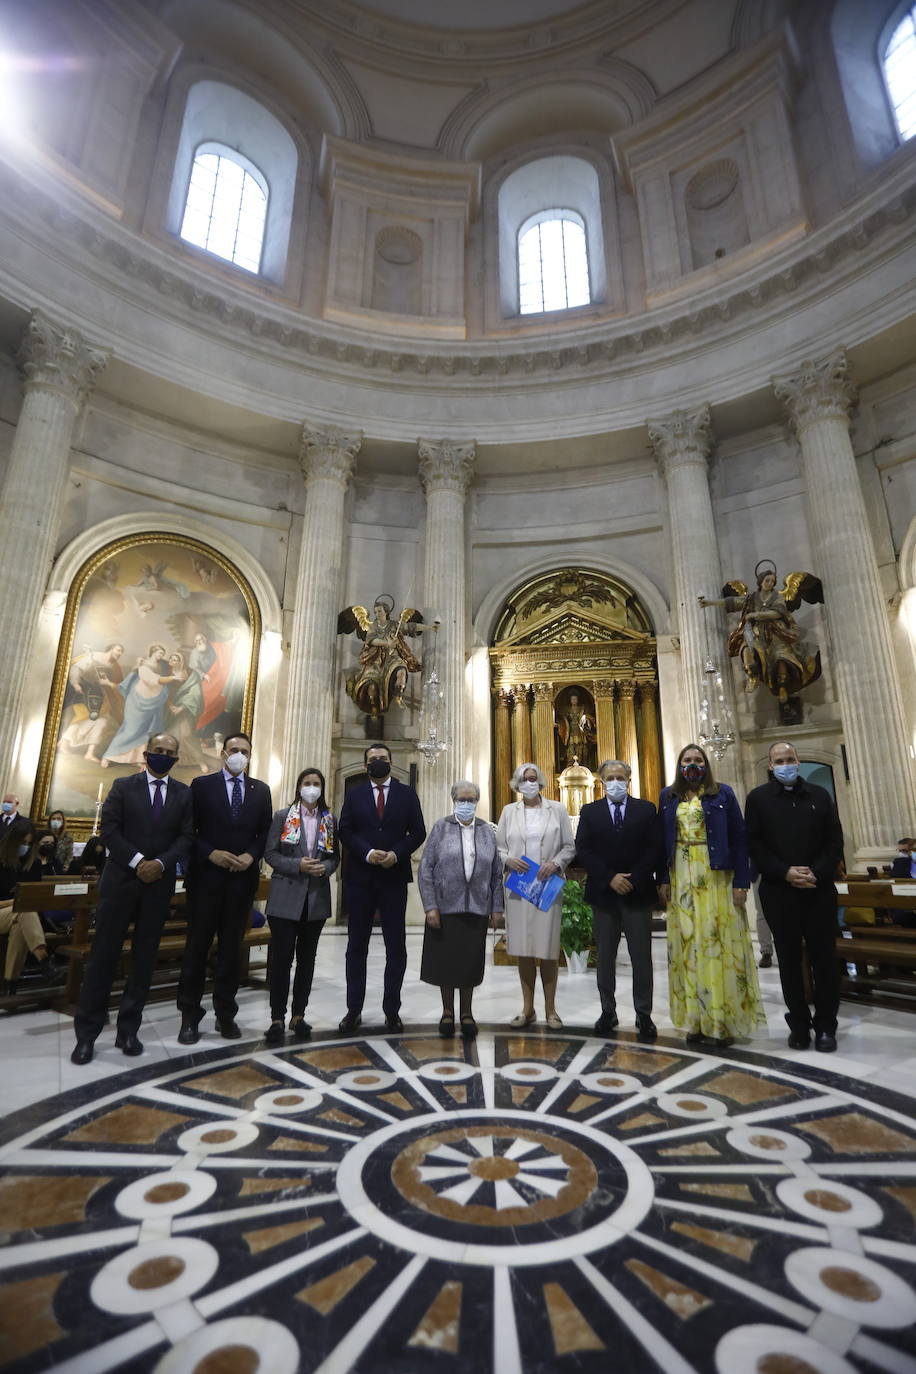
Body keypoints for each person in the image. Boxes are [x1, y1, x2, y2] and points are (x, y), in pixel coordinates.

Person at [71, 732, 193, 1064]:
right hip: (122, 881)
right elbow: (110, 830)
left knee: (143, 961)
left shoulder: (183, 795)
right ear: (146, 753)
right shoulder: (123, 786)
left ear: (176, 758)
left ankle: (129, 1030)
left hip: (158, 886)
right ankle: (87, 1034)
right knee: (103, 958)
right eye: (158, 750)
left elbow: (186, 837)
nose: (163, 755)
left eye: (170, 751)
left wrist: (162, 864)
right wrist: (140, 862)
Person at [658, 744, 764, 1046]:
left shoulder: (723, 793)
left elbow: (740, 838)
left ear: (706, 764)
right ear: (679, 766)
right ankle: (695, 1020)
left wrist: (742, 881)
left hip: (717, 874)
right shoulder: (669, 796)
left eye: (698, 760)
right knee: (688, 946)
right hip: (681, 875)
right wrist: (663, 878)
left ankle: (724, 1021)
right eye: (687, 760)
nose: (692, 765)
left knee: (718, 944)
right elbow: (662, 841)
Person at [745, 740, 843, 1052]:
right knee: (788, 960)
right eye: (779, 760)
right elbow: (755, 845)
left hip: (818, 889)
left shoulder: (819, 795)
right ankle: (799, 1024)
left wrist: (817, 871)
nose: (785, 764)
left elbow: (834, 839)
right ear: (771, 766)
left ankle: (826, 1025)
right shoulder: (758, 799)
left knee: (824, 959)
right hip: (779, 890)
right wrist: (785, 872)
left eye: (790, 758)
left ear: (797, 762)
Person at [176, 733, 273, 1043]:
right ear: (222, 753)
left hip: (241, 882)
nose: (239, 755)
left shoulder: (261, 791)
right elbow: (189, 830)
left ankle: (226, 1014)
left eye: (244, 751)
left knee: (231, 951)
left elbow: (264, 833)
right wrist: (210, 853)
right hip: (206, 879)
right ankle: (189, 1015)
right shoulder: (202, 786)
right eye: (234, 750)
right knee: (197, 948)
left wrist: (251, 855)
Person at [338, 743, 426, 1032]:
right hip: (360, 879)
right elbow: (345, 831)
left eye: (383, 759)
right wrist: (367, 852)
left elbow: (418, 831)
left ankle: (392, 1010)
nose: (378, 762)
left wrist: (396, 854)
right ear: (366, 765)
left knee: (395, 947)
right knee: (356, 947)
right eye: (373, 759)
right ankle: (353, 1010)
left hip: (393, 877)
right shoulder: (354, 795)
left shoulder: (406, 794)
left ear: (391, 762)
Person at [575, 759, 663, 1041]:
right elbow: (584, 850)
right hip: (604, 893)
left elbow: (655, 848)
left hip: (638, 893)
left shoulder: (646, 809)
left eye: (620, 777)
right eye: (609, 778)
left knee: (641, 957)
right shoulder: (590, 812)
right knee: (605, 957)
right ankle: (607, 1010)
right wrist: (610, 877)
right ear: (601, 781)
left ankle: (643, 1013)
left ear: (629, 779)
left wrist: (634, 878)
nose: (615, 782)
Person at [419, 780, 503, 1039]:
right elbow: (426, 869)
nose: (466, 804)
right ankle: (447, 1012)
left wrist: (496, 907)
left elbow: (496, 873)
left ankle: (466, 1013)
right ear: (453, 801)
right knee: (446, 963)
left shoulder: (487, 831)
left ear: (477, 802)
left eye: (471, 800)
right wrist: (431, 905)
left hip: (477, 907)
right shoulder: (441, 828)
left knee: (469, 963)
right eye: (461, 800)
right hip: (445, 907)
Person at [262, 767, 339, 1044]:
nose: (311, 787)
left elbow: (334, 858)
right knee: (282, 960)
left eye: (316, 783)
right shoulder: (283, 816)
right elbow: (270, 853)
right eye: (307, 783)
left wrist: (325, 868)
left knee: (307, 960)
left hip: (315, 900)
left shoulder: (329, 819)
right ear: (299, 787)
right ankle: (276, 1017)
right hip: (285, 898)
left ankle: (298, 1015)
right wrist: (297, 865)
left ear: (322, 788)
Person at [496, 763, 576, 1029]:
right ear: (516, 784)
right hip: (519, 887)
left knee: (548, 950)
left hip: (547, 885)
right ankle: (527, 1008)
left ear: (540, 782)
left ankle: (551, 1010)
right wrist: (509, 860)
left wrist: (556, 863)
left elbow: (568, 846)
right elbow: (499, 848)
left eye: (533, 779)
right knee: (523, 951)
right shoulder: (509, 812)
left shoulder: (558, 809)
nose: (529, 782)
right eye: (524, 779)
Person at [699, 565, 820, 704]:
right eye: (767, 580)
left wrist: (757, 614)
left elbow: (777, 612)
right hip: (756, 635)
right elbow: (731, 601)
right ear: (761, 582)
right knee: (746, 649)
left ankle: (782, 687)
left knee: (782, 661)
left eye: (772, 581)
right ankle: (752, 675)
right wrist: (709, 602)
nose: (770, 583)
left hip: (777, 635)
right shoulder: (751, 598)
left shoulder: (778, 597)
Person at [0, 825, 65, 994]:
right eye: (23, 843)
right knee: (24, 909)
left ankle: (10, 984)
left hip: (20, 915)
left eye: (30, 844)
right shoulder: (1, 862)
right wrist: (16, 901)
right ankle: (45, 960)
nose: (26, 847)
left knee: (20, 925)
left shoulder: (33, 865)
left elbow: (33, 899)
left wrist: (21, 901)